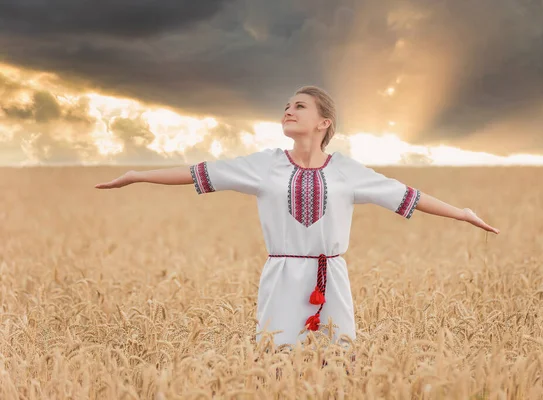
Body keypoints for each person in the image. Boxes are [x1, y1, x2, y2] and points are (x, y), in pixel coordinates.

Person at [95, 85, 500, 349]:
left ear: (324, 123)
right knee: (275, 361)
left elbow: (407, 196)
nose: (288, 111)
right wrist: (137, 175)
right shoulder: (263, 165)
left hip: (331, 277)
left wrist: (462, 214)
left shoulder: (347, 170)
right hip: (281, 276)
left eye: (299, 106)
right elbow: (198, 172)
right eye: (286, 107)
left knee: (338, 363)